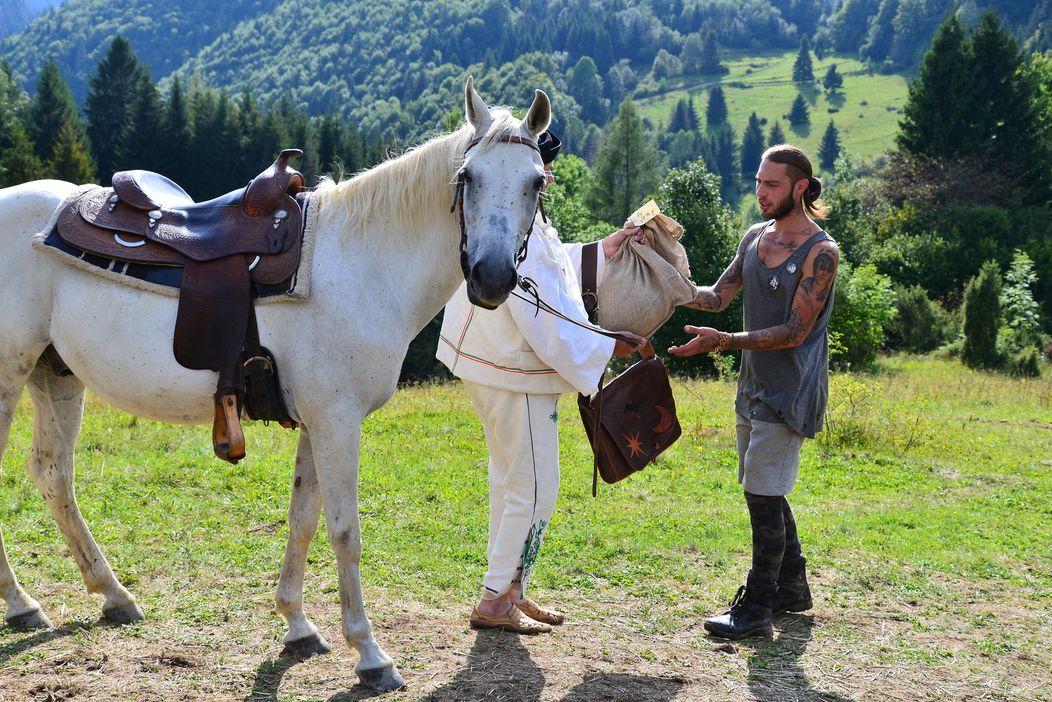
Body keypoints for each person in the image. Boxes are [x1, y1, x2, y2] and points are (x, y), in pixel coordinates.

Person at [437, 130, 647, 634]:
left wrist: (604, 249)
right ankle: (495, 600)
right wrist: (605, 345)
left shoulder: (514, 211)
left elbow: (551, 267)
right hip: (516, 369)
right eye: (544, 168)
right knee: (534, 487)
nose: (548, 177)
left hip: (492, 361)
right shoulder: (517, 215)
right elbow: (538, 304)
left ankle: (509, 588)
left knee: (510, 481)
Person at [668, 144, 839, 639]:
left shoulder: (821, 253)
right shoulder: (755, 236)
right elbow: (716, 298)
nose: (761, 192)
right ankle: (793, 589)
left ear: (800, 187)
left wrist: (723, 342)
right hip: (753, 386)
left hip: (791, 391)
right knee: (765, 490)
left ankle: (758, 606)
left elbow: (795, 331)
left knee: (762, 494)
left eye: (772, 184)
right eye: (759, 182)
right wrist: (660, 274)